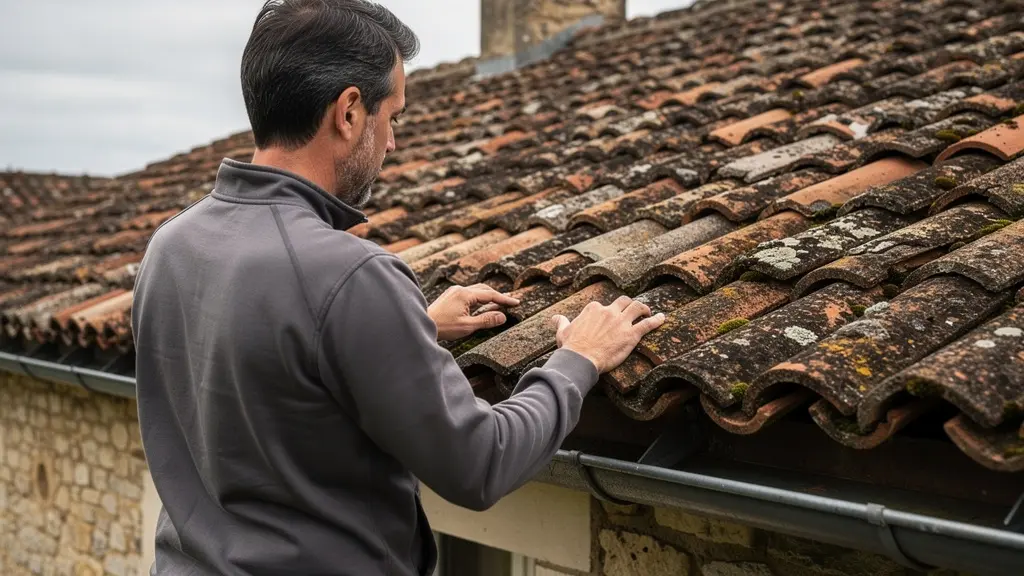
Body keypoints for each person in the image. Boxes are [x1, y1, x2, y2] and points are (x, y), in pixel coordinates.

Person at [131, 1, 666, 574]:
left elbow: (255, 354)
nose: (392, 143)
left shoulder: (171, 246)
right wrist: (577, 361)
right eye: (393, 117)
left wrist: (410, 329)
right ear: (350, 112)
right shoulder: (352, 276)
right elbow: (480, 464)